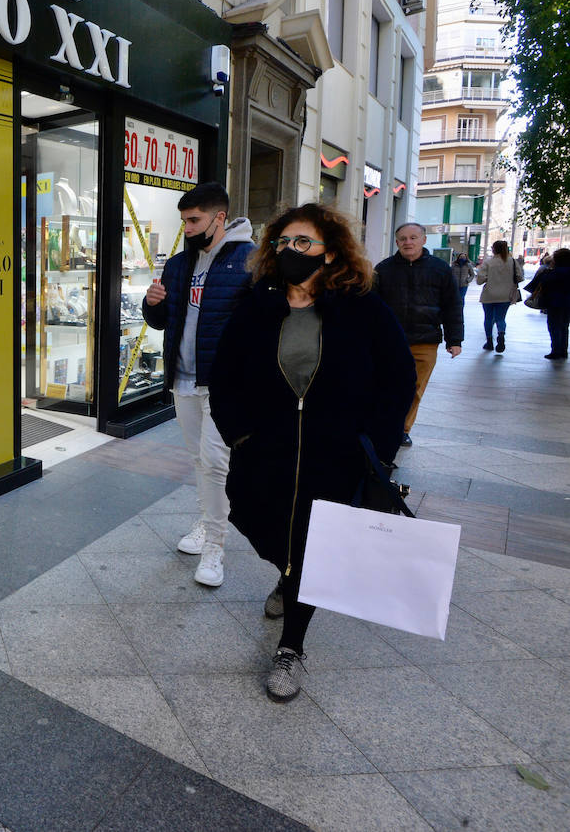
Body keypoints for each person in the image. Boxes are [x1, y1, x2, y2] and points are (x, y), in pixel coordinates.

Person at [209, 204, 415, 702]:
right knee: (263, 525)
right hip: (267, 452)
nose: (291, 252)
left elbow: (398, 377)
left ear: (330, 251)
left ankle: (292, 646)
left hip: (336, 454)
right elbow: (225, 376)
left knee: (314, 549)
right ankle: (285, 572)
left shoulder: (360, 305)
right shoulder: (257, 304)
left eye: (304, 243)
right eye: (282, 243)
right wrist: (239, 435)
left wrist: (376, 446)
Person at [142, 181, 254, 587]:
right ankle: (207, 525)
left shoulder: (249, 260)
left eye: (194, 220)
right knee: (198, 460)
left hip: (223, 384)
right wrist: (152, 304)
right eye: (184, 220)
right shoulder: (178, 263)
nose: (187, 228)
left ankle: (215, 546)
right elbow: (163, 320)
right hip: (183, 377)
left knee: (214, 461)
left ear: (219, 217)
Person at [374, 222, 462, 448]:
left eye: (413, 237)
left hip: (425, 341)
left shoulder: (440, 269)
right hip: (390, 342)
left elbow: (452, 306)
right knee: (387, 386)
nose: (408, 242)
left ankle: (402, 429)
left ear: (424, 240)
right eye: (403, 238)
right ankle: (383, 425)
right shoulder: (383, 269)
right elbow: (372, 307)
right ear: (396, 242)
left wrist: (455, 340)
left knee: (414, 389)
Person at [475, 240, 521, 353]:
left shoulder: (489, 262)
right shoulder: (513, 262)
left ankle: (489, 341)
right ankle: (501, 334)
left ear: (494, 249)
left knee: (488, 318)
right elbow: (519, 277)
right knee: (501, 318)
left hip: (489, 294)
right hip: (506, 295)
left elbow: (480, 280)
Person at [525, 247, 570, 359]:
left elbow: (542, 284)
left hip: (554, 302)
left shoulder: (552, 272)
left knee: (554, 326)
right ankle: (563, 350)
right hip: (567, 303)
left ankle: (556, 350)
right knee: (564, 326)